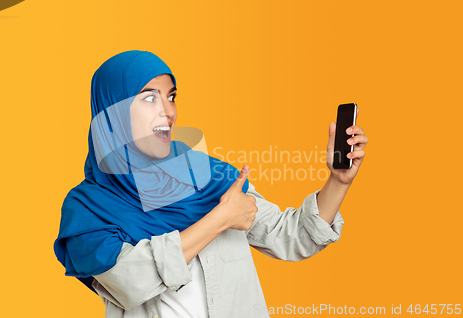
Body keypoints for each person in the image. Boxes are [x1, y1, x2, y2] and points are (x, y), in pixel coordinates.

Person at [53, 50, 368, 318]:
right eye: (150, 97)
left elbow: (291, 237)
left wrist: (338, 182)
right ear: (112, 113)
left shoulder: (210, 177)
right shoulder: (88, 208)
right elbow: (130, 283)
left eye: (171, 96)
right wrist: (219, 219)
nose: (168, 111)